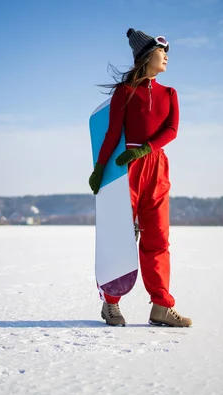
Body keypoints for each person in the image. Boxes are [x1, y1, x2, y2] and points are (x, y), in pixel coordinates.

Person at [88, 28, 192, 328]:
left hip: (156, 167)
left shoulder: (169, 94)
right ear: (147, 56)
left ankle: (161, 306)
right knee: (119, 237)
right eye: (163, 52)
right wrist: (100, 168)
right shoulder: (125, 92)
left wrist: (146, 149)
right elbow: (111, 133)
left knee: (158, 239)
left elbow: (171, 130)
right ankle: (111, 303)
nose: (167, 57)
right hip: (125, 170)